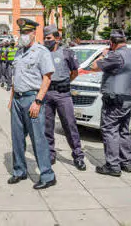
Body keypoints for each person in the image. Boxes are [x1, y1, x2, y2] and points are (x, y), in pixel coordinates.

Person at [8, 18, 56, 190]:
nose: (24, 35)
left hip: (32, 99)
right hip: (17, 99)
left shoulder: (41, 52)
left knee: (38, 138)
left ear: (34, 33)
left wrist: (38, 101)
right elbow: (16, 77)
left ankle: (47, 175)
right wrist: (11, 99)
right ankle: (19, 170)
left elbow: (47, 78)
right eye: (22, 32)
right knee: (17, 138)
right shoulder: (19, 52)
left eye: (27, 32)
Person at [90, 29, 131, 177]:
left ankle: (113, 165)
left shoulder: (115, 56)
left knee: (110, 131)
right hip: (128, 100)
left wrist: (103, 54)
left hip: (114, 101)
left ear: (111, 43)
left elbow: (94, 66)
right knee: (124, 131)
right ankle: (126, 163)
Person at [42, 25, 86, 170]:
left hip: (63, 94)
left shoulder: (67, 53)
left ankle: (78, 155)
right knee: (47, 126)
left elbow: (74, 72)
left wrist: (65, 82)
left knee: (69, 124)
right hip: (47, 93)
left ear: (57, 38)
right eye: (45, 38)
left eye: (49, 38)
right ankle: (50, 153)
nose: (46, 41)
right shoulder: (42, 53)